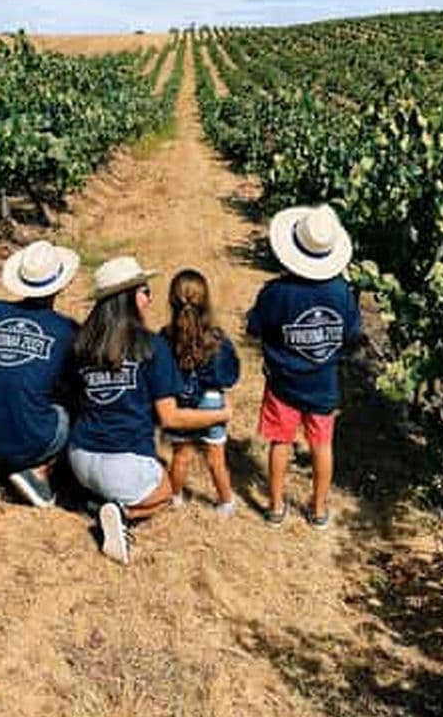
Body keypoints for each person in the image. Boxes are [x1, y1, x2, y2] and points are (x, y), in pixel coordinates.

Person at [68, 256, 231, 564]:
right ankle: (120, 513)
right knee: (166, 493)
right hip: (123, 462)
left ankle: (96, 501)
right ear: (128, 298)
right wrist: (219, 415)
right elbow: (171, 417)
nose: (150, 297)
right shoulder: (150, 346)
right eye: (144, 290)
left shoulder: (81, 342)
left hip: (79, 457)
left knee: (115, 479)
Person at [246, 204, 361, 528]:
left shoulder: (276, 292)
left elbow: (256, 328)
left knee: (281, 441)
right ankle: (319, 509)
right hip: (324, 384)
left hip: (283, 384)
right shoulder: (342, 292)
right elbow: (352, 335)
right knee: (322, 444)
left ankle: (276, 506)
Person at [0, 239, 80, 508]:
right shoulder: (66, 329)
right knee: (70, 412)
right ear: (61, 284)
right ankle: (38, 472)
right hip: (31, 434)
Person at [160, 269, 240, 514]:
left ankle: (175, 497)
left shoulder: (165, 337)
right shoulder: (216, 338)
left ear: (172, 300)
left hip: (180, 404)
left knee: (181, 454)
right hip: (212, 402)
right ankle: (226, 502)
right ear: (206, 300)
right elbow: (229, 376)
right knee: (216, 458)